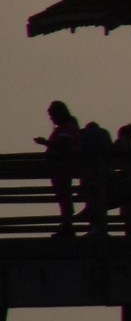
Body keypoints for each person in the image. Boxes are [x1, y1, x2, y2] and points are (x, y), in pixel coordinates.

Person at [38, 101, 82, 236]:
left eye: (52, 115)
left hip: (63, 170)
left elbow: (64, 146)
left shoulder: (67, 128)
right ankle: (66, 226)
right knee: (63, 199)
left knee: (65, 199)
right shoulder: (64, 128)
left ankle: (67, 228)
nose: (51, 118)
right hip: (59, 170)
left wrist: (46, 143)